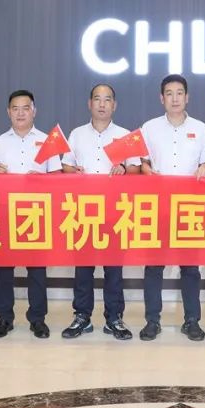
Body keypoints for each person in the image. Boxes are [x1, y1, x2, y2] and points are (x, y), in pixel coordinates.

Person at [60, 84, 141, 341]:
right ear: (90, 104)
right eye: (97, 99)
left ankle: (114, 318)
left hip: (115, 211)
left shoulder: (124, 135)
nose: (102, 104)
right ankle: (82, 316)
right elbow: (66, 167)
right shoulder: (77, 134)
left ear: (114, 105)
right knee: (83, 268)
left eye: (107, 100)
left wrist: (124, 170)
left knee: (113, 269)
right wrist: (74, 172)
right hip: (83, 209)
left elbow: (136, 169)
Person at [0, 90, 62, 339]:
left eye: (25, 108)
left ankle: (37, 319)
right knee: (3, 270)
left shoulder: (47, 141)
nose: (20, 113)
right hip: (5, 213)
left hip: (35, 213)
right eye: (15, 108)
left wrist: (44, 179)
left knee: (37, 271)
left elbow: (58, 178)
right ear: (8, 112)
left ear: (34, 111)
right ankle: (4, 318)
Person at [139, 74, 205, 341]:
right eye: (169, 93)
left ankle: (192, 320)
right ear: (162, 98)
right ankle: (152, 320)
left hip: (190, 205)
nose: (175, 98)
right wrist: (147, 171)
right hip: (158, 204)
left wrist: (204, 168)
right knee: (154, 266)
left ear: (187, 97)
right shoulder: (149, 128)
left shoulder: (201, 129)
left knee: (190, 267)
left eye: (179, 93)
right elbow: (143, 163)